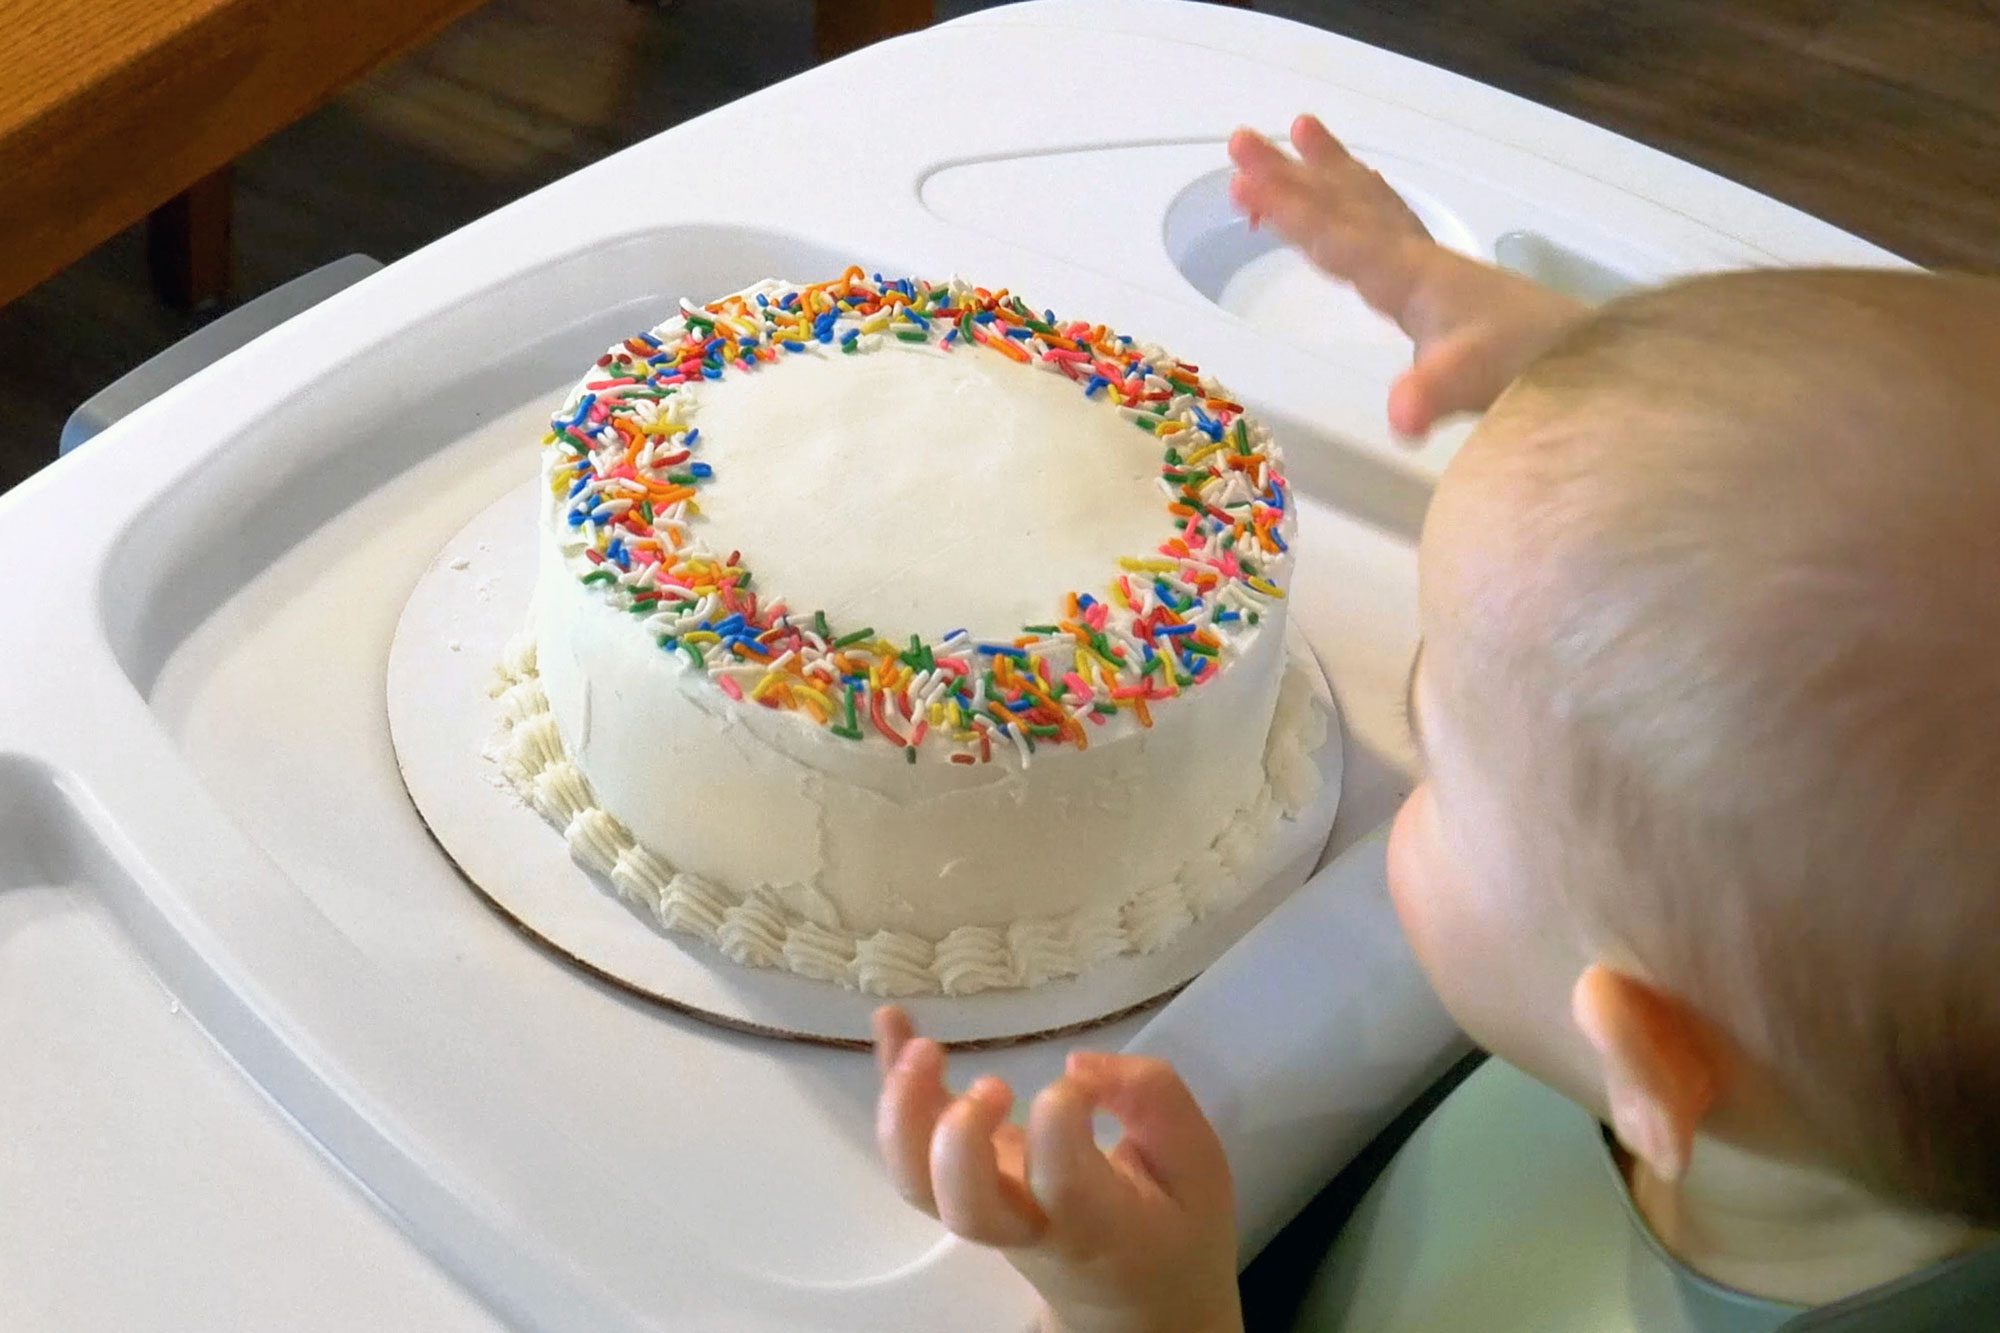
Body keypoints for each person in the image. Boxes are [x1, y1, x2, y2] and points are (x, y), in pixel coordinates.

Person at [870, 116, 2000, 1331]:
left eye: (1443, 762)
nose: (1413, 737)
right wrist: (1568, 372)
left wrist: (1147, 1303)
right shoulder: (1793, 1045)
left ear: (1643, 1057)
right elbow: (1830, 558)